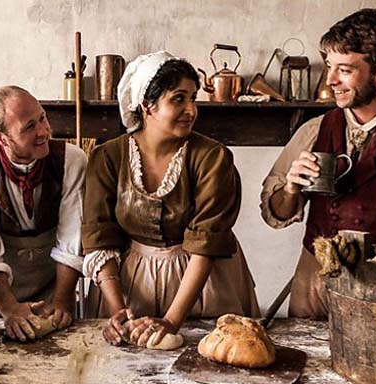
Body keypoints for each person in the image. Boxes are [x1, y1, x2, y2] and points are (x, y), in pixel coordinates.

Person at [260, 9, 376, 318]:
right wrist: (290, 188)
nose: (330, 81)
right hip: (311, 280)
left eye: (344, 69)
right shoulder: (314, 130)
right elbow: (277, 212)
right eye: (330, 66)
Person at [82, 51, 258, 347]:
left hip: (204, 282)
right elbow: (100, 238)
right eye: (178, 99)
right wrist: (117, 311)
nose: (191, 109)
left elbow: (207, 243)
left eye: (193, 98)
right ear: (147, 105)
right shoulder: (107, 157)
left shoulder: (212, 157)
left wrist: (171, 321)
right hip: (129, 282)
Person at [0, 86, 86, 342]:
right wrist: (9, 310)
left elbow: (72, 237)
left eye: (42, 118)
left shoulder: (71, 161)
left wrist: (62, 302)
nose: (43, 131)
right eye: (29, 127)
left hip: (54, 286)